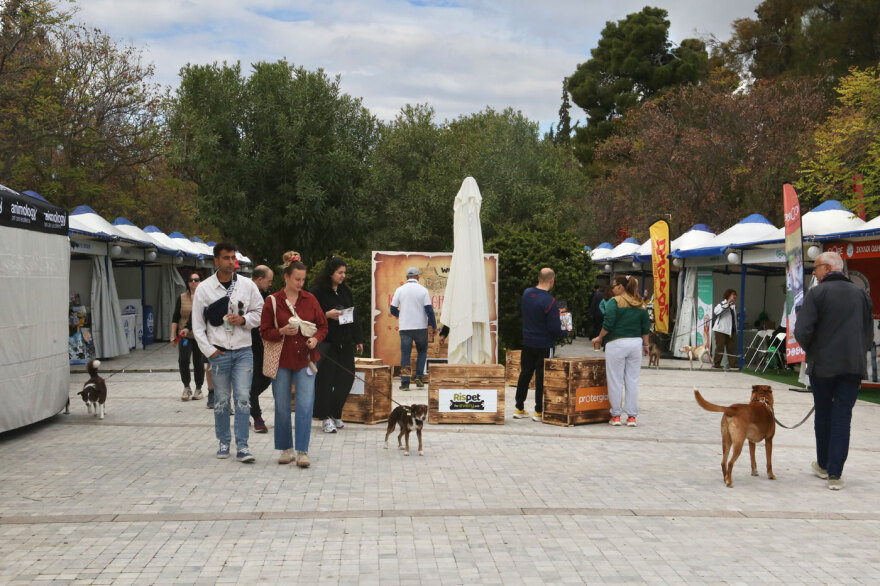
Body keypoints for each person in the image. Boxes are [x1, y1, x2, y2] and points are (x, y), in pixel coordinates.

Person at [795, 251, 872, 490]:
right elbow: (868, 333)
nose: (814, 272)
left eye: (815, 268)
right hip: (852, 366)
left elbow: (802, 331)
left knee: (824, 414)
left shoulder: (817, 293)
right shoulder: (861, 294)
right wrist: (859, 352)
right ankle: (835, 475)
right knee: (842, 417)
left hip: (823, 367)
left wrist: (814, 351)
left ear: (828, 268)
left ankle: (824, 464)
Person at [191, 242, 264, 463]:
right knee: (222, 400)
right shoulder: (204, 288)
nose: (231, 262)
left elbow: (261, 313)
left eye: (233, 257)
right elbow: (197, 325)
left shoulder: (247, 285)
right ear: (216, 261)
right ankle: (224, 441)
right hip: (219, 352)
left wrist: (243, 320)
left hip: (243, 351)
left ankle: (243, 446)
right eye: (226, 258)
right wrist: (210, 351)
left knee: (243, 398)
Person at [260, 260, 328, 468]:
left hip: (306, 360)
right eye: (297, 279)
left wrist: (315, 339)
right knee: (281, 406)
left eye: (303, 279)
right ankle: (285, 448)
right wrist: (280, 331)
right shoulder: (273, 301)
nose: (301, 283)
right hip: (281, 360)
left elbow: (323, 326)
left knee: (305, 405)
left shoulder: (311, 299)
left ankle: (302, 451)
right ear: (286, 277)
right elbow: (264, 331)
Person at [311, 256, 364, 433]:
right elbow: (310, 316)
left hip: (345, 341)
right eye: (339, 272)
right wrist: (326, 314)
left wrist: (358, 338)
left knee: (346, 378)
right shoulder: (317, 291)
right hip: (326, 343)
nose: (343, 276)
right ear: (330, 272)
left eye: (344, 273)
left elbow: (353, 314)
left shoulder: (345, 291)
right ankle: (325, 417)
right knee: (325, 380)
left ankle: (335, 413)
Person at [591, 275, 650, 427]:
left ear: (621, 287)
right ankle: (631, 417)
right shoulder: (640, 303)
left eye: (614, 285)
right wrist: (646, 345)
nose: (612, 288)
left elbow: (608, 323)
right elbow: (645, 327)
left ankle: (616, 415)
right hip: (636, 344)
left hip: (616, 343)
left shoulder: (614, 302)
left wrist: (599, 338)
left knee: (615, 380)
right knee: (632, 380)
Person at [514, 268, 567, 422]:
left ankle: (519, 407)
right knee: (542, 377)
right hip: (544, 343)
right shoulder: (550, 301)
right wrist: (565, 331)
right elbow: (554, 328)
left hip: (528, 341)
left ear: (539, 278)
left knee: (525, 373)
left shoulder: (526, 294)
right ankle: (538, 411)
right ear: (552, 280)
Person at [390, 267, 436, 391]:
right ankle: (419, 378)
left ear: (406, 278)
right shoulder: (423, 290)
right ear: (418, 277)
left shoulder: (399, 290)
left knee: (405, 353)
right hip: (420, 327)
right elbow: (429, 311)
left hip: (405, 328)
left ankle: (405, 383)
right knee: (422, 352)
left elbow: (392, 309)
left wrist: (402, 315)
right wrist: (434, 326)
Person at [170, 272, 205, 402]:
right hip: (184, 335)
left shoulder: (203, 298)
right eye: (191, 280)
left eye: (196, 280)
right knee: (183, 360)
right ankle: (186, 387)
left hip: (200, 336)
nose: (193, 282)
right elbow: (175, 318)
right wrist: (172, 336)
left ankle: (199, 388)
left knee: (199, 362)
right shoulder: (182, 297)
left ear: (200, 282)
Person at [249, 265, 274, 434]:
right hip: (247, 345)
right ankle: (257, 417)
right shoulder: (245, 293)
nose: (270, 284)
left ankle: (245, 399)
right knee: (252, 380)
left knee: (266, 377)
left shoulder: (268, 296)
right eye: (269, 281)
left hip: (265, 345)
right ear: (259, 280)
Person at [712, 289, 738, 369]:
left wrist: (735, 329)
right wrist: (727, 304)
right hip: (721, 330)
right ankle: (716, 364)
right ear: (729, 295)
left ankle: (733, 364)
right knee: (720, 347)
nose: (735, 297)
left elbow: (733, 319)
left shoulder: (733, 306)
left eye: (735, 295)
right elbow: (716, 312)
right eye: (733, 294)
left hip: (730, 331)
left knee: (731, 348)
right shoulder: (721, 304)